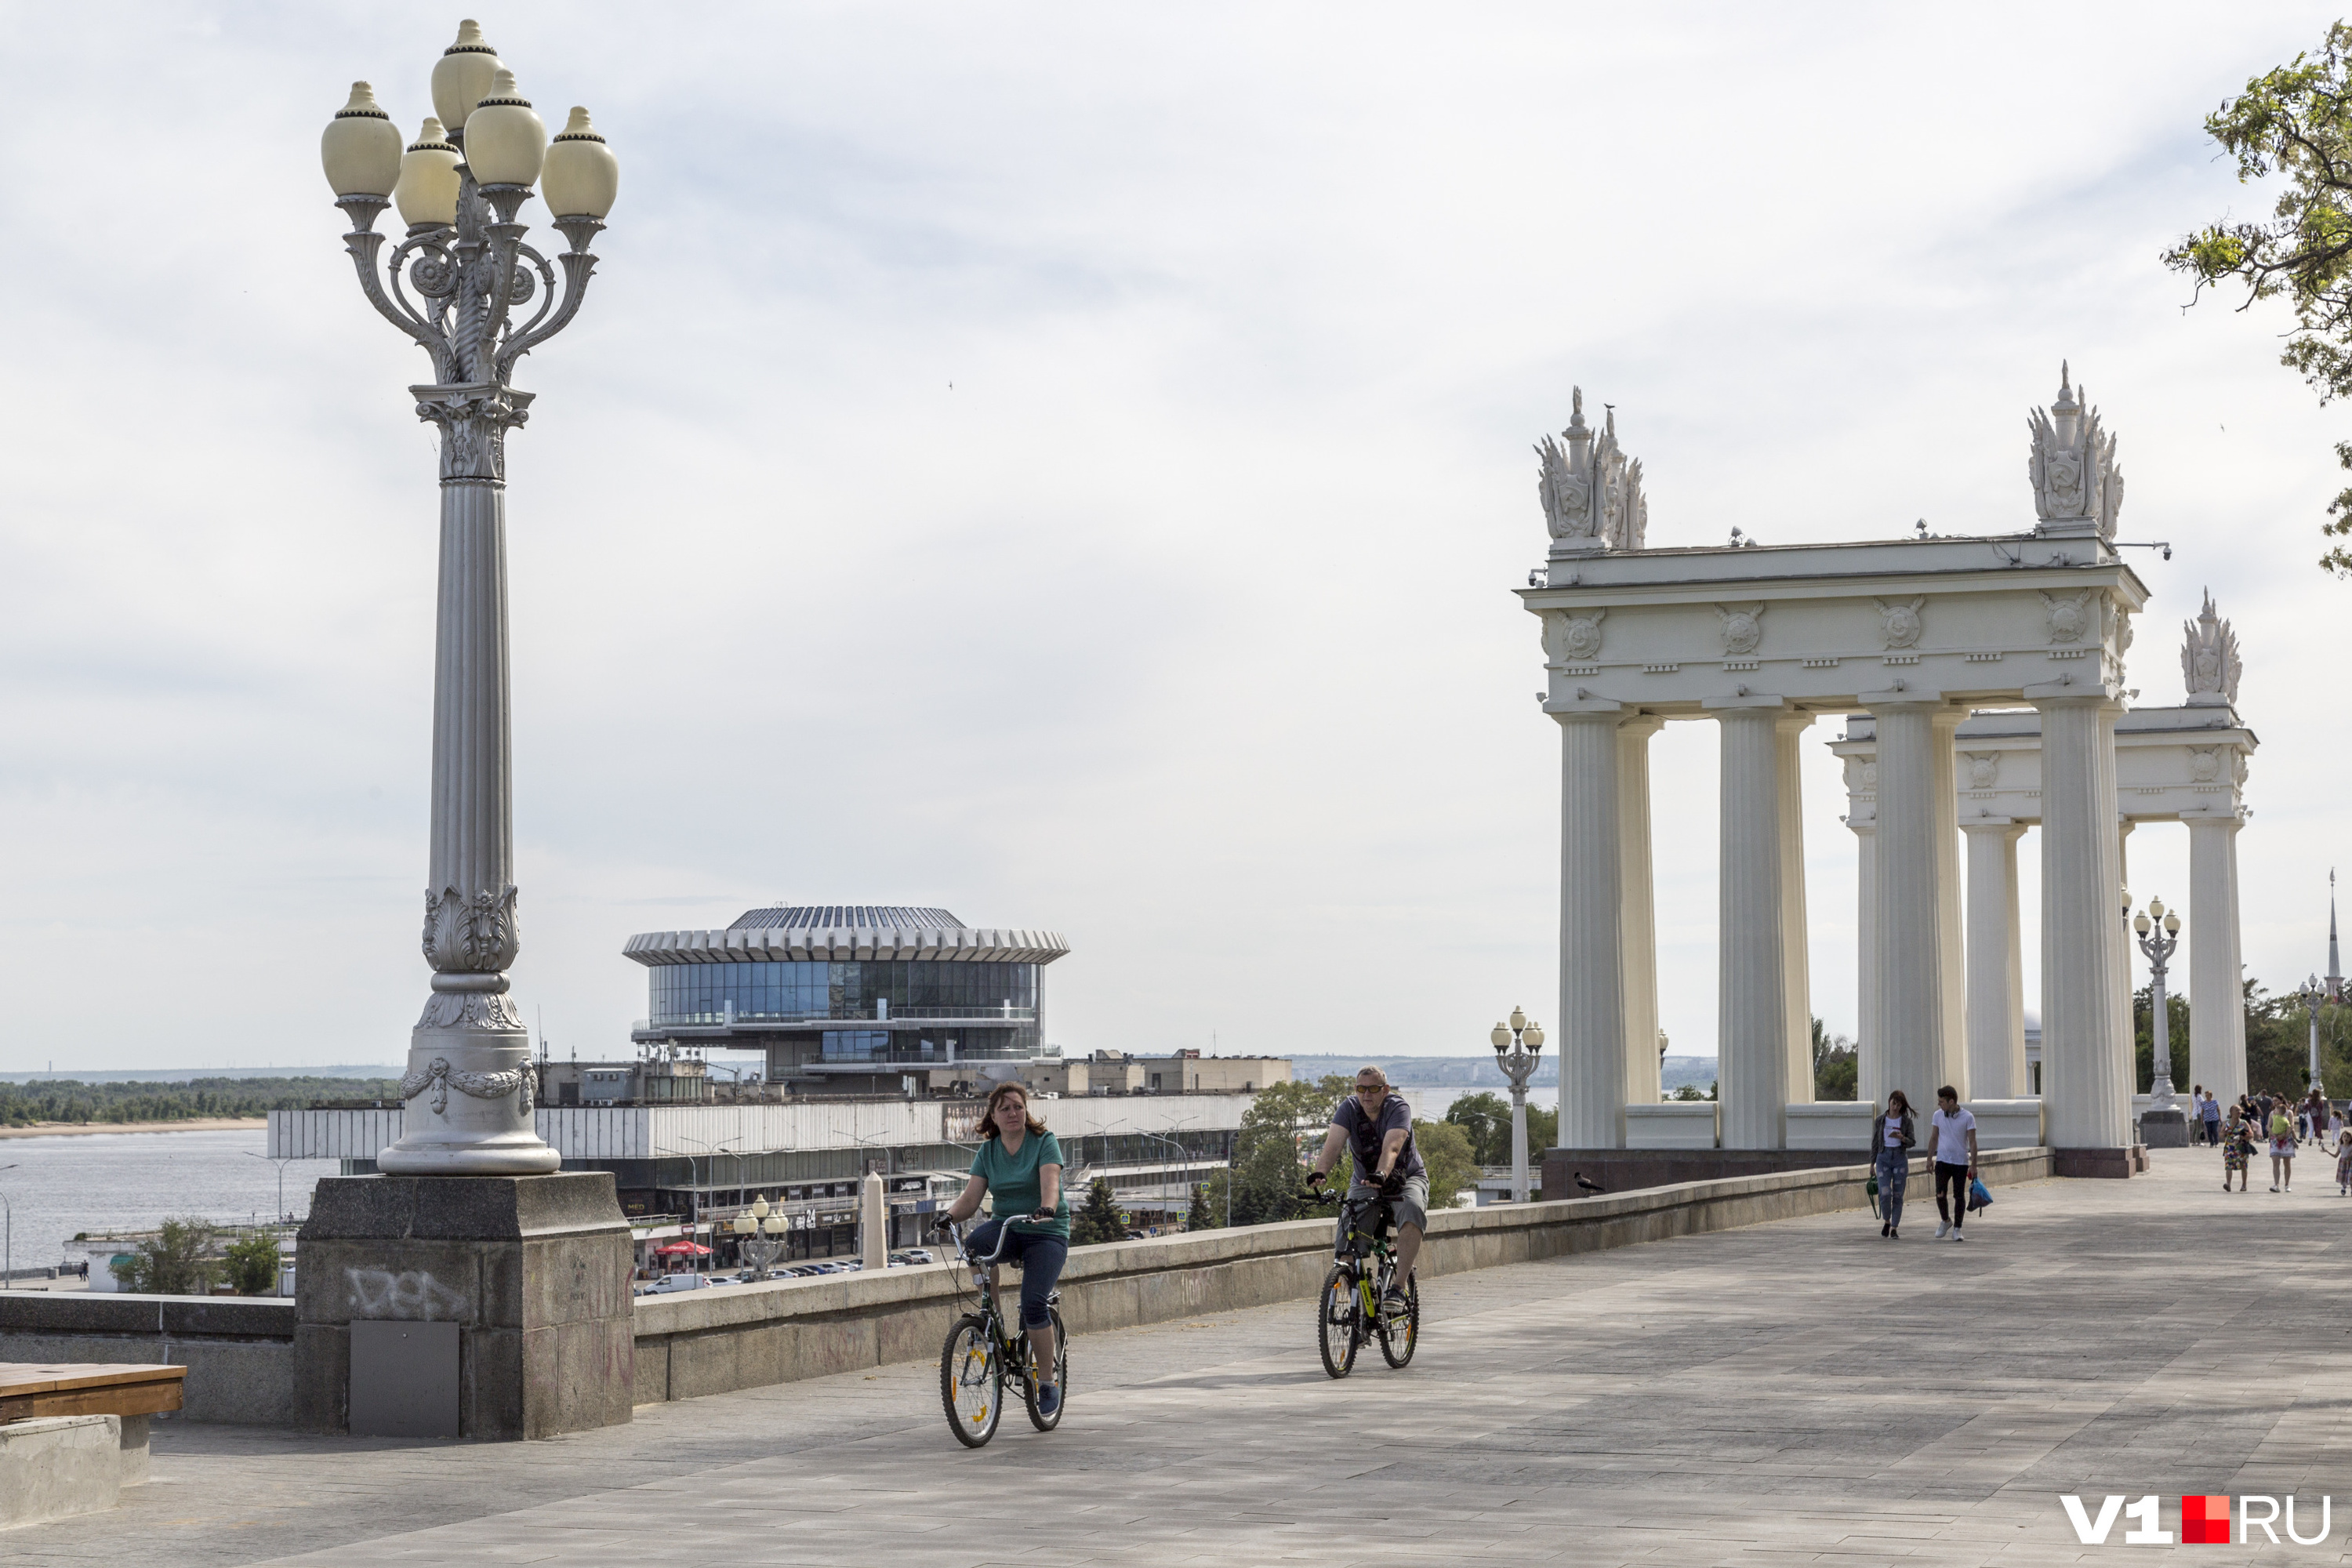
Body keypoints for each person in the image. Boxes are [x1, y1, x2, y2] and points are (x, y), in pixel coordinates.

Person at [934, 1081, 1071, 1417]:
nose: (1013, 1113)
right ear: (993, 1116)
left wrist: (1046, 1208)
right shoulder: (989, 1151)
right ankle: (990, 1318)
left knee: (1034, 1303)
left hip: (1045, 1231)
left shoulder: (1044, 1142)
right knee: (975, 1245)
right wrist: (948, 1216)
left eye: (1018, 1107)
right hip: (1009, 1228)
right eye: (1005, 1108)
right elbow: (971, 1199)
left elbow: (1050, 1184)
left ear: (1027, 1111)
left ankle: (1047, 1382)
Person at [1305, 1065, 1426, 1318]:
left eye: (1373, 1089)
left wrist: (1381, 1174)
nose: (1367, 1095)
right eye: (1361, 1089)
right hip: (1363, 1182)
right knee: (1348, 1229)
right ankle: (1354, 1304)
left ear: (1385, 1090)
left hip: (1405, 1178)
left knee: (1412, 1210)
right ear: (1355, 1090)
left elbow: (1392, 1148)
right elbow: (1334, 1143)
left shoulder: (1397, 1108)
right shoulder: (1349, 1108)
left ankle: (1398, 1287)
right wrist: (1320, 1172)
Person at [1926, 1085, 1979, 1243]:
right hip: (1943, 1160)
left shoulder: (1968, 1117)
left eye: (1942, 1102)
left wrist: (1974, 1164)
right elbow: (1934, 1137)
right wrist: (1929, 1159)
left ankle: (1957, 1228)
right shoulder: (1938, 1116)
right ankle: (1945, 1220)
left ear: (1951, 1101)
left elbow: (1973, 1141)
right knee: (1940, 1193)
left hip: (1960, 1162)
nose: (1939, 1105)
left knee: (1958, 1195)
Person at [1870, 1091, 1917, 1240]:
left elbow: (1912, 1141)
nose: (1895, 1107)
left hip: (1899, 1157)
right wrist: (1872, 1163)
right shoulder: (1880, 1120)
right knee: (1885, 1193)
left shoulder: (1906, 1121)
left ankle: (1894, 1227)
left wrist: (1903, 1138)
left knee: (1898, 1194)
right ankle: (1887, 1220)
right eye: (1894, 1103)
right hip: (1883, 1157)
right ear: (1889, 1102)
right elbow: (1875, 1143)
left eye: (1899, 1104)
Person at [2269, 1098, 2298, 1193]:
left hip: (2286, 1140)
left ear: (2281, 1102)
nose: (2274, 1103)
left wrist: (2284, 1135)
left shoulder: (2289, 1113)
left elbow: (2291, 1125)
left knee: (2287, 1162)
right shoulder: (2272, 1114)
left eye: (2276, 1101)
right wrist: (2274, 1135)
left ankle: (2287, 1184)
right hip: (2275, 1140)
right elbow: (2268, 1126)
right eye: (2273, 1101)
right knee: (2275, 1162)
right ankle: (2276, 1184)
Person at [2222, 1109, 2252, 1192]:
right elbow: (2221, 1134)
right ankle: (2228, 1184)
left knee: (2243, 1166)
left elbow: (2251, 1134)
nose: (2239, 1112)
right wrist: (2225, 1132)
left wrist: (2242, 1137)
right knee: (2229, 1166)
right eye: (2237, 1110)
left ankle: (2244, 1185)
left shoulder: (2244, 1123)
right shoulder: (2226, 1123)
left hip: (2241, 1147)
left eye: (2240, 1111)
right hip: (2230, 1148)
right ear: (2231, 1112)